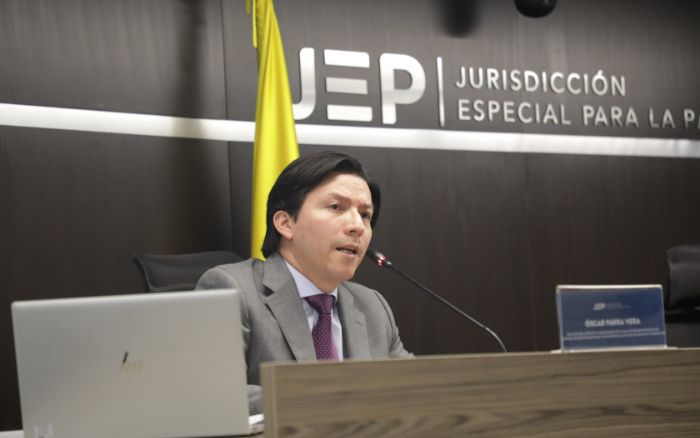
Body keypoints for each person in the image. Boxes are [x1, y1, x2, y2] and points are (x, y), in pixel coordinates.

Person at [196, 151, 411, 412]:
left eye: (365, 215)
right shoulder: (232, 290)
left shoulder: (372, 305)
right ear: (285, 223)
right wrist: (337, 400)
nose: (357, 226)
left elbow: (414, 390)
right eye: (336, 207)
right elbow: (217, 395)